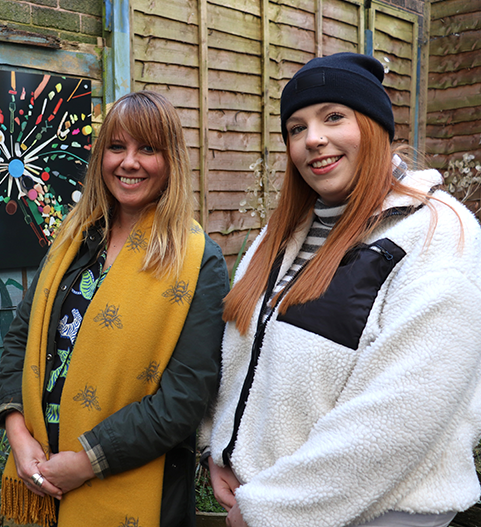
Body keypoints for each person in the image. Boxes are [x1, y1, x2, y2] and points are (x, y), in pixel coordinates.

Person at [200, 52, 481, 527]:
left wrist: (273, 507)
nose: (313, 139)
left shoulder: (439, 231)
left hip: (381, 513)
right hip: (270, 501)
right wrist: (220, 448)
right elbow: (239, 353)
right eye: (296, 127)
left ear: (374, 126)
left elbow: (404, 413)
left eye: (334, 117)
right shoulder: (283, 235)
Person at [0, 90, 229, 527]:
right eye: (117, 147)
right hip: (38, 471)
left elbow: (184, 398)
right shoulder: (75, 239)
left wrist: (84, 462)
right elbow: (20, 339)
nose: (129, 162)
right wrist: (18, 433)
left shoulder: (199, 260)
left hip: (131, 485)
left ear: (171, 159)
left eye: (148, 149)